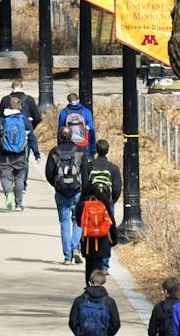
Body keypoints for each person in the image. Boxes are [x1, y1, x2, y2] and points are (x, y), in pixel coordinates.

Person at [76, 139, 122, 282]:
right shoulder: (113, 168)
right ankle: (105, 264)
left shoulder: (89, 166)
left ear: (96, 150)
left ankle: (89, 276)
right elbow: (117, 188)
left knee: (90, 236)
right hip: (106, 203)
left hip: (90, 204)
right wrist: (110, 201)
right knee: (106, 230)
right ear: (107, 151)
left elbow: (84, 185)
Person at [45, 127, 86, 265]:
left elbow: (49, 174)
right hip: (77, 191)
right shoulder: (80, 151)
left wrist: (57, 185)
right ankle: (76, 248)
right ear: (72, 136)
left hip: (61, 192)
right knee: (77, 220)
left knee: (64, 223)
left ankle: (67, 257)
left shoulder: (54, 152)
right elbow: (85, 172)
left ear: (60, 137)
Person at [0, 94, 41, 211]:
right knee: (19, 178)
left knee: (5, 176)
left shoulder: (3, 120)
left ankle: (9, 193)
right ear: (20, 107)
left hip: (5, 154)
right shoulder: (24, 120)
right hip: (21, 154)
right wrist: (36, 154)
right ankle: (18, 204)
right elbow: (32, 138)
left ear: (8, 106)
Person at [57, 91, 96, 155]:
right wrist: (93, 147)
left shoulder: (64, 112)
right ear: (78, 100)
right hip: (84, 146)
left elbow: (60, 130)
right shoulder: (86, 111)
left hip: (69, 147)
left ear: (68, 101)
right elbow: (91, 129)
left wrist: (59, 146)